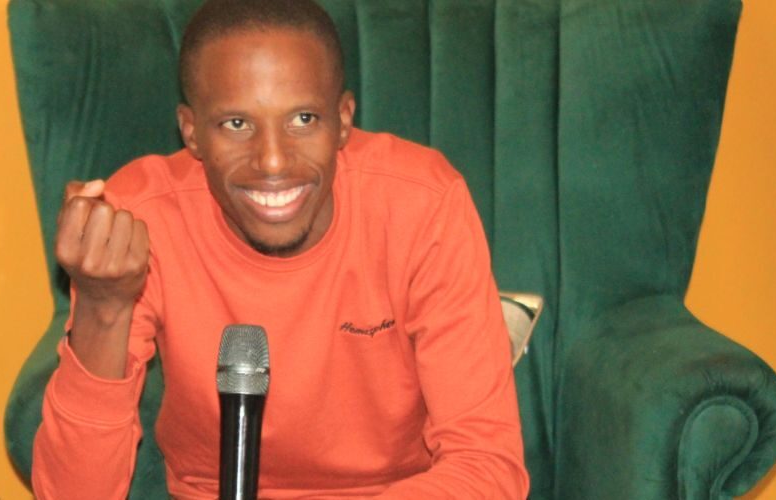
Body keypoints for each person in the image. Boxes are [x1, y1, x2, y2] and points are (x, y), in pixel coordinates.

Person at [31, 0, 529, 497]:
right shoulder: (143, 219)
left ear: (343, 120)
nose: (272, 161)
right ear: (191, 133)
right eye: (236, 124)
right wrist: (102, 306)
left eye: (303, 119)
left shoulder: (422, 205)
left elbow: (487, 466)